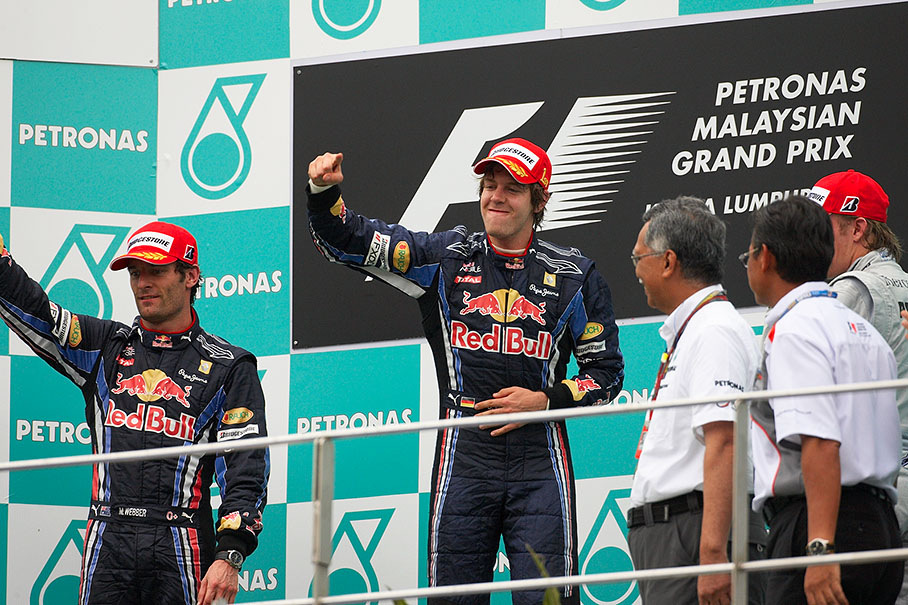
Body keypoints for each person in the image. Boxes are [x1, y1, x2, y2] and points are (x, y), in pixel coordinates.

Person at [305, 138, 624, 604]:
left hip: (540, 458)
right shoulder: (447, 257)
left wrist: (546, 400)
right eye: (489, 185)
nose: (496, 196)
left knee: (549, 598)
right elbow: (350, 241)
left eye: (512, 188)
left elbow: (607, 373)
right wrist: (323, 193)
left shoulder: (575, 275)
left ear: (539, 200)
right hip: (464, 456)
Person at [0, 223, 269, 605]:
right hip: (108, 535)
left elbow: (246, 468)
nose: (143, 283)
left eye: (156, 271)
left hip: (182, 539)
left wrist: (230, 555)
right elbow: (40, 313)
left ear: (191, 276)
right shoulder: (104, 346)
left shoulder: (229, 366)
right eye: (135, 272)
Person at [744, 196, 902, 604]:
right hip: (881, 526)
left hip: (820, 524)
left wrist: (820, 548)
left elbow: (819, 441)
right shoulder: (863, 330)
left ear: (765, 257)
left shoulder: (796, 329)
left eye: (748, 254)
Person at [627, 197, 760, 605]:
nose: (636, 271)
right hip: (680, 535)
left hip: (694, 534)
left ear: (668, 262)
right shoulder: (698, 328)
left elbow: (725, 441)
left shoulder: (714, 330)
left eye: (639, 258)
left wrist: (712, 554)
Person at [808, 169, 908, 604]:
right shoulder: (902, 282)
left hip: (881, 489)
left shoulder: (852, 289)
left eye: (822, 227)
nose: (811, 241)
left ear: (858, 229)